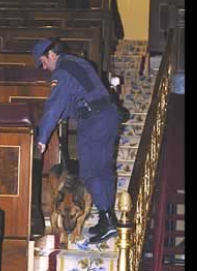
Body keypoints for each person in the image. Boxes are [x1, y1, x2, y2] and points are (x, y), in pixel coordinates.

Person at [32, 37, 120, 244]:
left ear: (51, 55)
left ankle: (108, 222)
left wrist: (43, 137)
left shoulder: (62, 71)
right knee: (104, 171)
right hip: (107, 115)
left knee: (90, 174)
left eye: (43, 62)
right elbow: (76, 96)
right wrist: (64, 115)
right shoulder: (77, 62)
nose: (45, 68)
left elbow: (54, 104)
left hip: (94, 121)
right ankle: (108, 220)